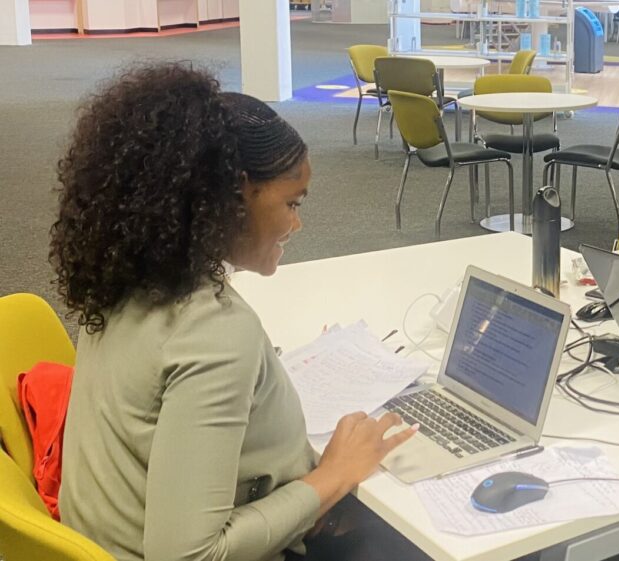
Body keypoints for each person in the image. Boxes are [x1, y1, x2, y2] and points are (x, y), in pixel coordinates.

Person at [51, 62, 427, 561]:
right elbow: (188, 555)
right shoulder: (215, 332)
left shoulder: (124, 275)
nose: (296, 224)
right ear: (228, 200)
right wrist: (332, 474)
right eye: (292, 203)